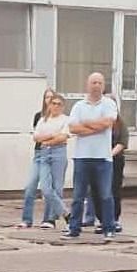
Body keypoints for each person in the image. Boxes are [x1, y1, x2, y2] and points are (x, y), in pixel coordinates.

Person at [64, 71, 118, 240]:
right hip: (82, 157)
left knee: (105, 195)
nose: (96, 86)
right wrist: (96, 126)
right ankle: (74, 228)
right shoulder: (79, 106)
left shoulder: (109, 104)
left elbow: (108, 123)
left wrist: (85, 124)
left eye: (99, 83)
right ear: (88, 85)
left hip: (103, 158)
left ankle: (109, 228)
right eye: (93, 82)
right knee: (78, 195)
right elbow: (72, 128)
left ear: (103, 86)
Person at [28, 93, 71, 229]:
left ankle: (50, 219)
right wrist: (52, 135)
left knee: (57, 187)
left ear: (63, 107)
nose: (56, 106)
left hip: (59, 152)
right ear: (49, 105)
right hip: (44, 154)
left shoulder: (65, 120)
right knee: (46, 188)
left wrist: (47, 141)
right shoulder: (43, 120)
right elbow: (36, 136)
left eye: (59, 104)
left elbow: (63, 137)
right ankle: (66, 213)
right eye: (54, 103)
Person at [18, 88, 57, 228]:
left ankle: (49, 219)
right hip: (39, 154)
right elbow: (37, 137)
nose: (49, 101)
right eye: (47, 98)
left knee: (48, 189)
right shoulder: (38, 116)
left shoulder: (60, 118)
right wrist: (48, 136)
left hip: (53, 154)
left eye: (52, 98)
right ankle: (26, 219)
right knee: (30, 187)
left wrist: (46, 136)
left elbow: (59, 136)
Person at [102, 110, 128, 233]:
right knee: (99, 190)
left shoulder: (120, 123)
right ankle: (102, 219)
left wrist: (109, 155)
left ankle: (114, 219)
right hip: (99, 159)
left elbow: (122, 142)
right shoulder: (99, 121)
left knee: (114, 189)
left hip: (115, 159)